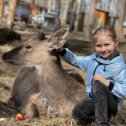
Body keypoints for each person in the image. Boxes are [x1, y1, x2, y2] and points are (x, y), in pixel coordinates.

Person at [58, 26, 126, 126]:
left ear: (116, 43)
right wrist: (62, 51)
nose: (103, 49)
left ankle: (102, 123)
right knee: (77, 113)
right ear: (94, 46)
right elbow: (75, 60)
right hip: (93, 101)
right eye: (99, 46)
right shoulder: (92, 60)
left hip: (112, 105)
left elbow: (124, 92)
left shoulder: (120, 67)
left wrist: (106, 83)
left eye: (107, 44)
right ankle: (104, 119)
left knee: (98, 84)